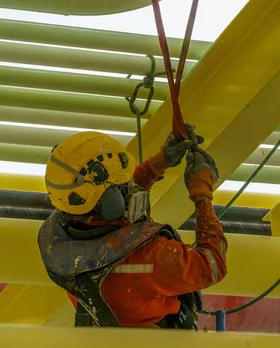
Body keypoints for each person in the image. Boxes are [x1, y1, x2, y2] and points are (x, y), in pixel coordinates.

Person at [37, 125, 227, 329]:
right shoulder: (151, 256)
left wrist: (159, 162)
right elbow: (212, 265)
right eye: (124, 184)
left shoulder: (56, 237)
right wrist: (202, 194)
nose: (131, 186)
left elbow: (108, 199)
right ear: (112, 200)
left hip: (105, 341)